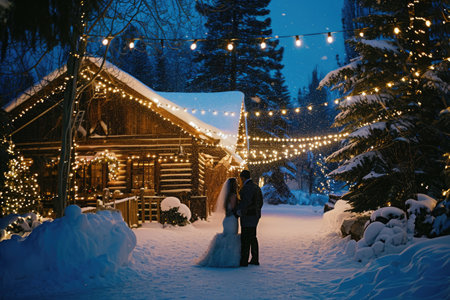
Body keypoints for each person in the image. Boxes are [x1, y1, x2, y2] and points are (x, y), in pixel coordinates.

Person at [197, 178, 241, 267]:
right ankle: (228, 260)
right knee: (230, 239)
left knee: (227, 238)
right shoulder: (233, 195)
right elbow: (233, 208)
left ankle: (221, 259)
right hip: (232, 220)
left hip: (227, 219)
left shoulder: (227, 196)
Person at [237, 169, 263, 267]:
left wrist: (240, 210)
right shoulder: (256, 187)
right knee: (253, 237)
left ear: (243, 178)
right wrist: (257, 211)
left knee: (245, 239)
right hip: (255, 216)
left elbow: (245, 203)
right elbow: (260, 202)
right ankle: (255, 258)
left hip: (248, 216)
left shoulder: (247, 188)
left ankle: (244, 260)